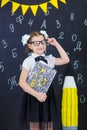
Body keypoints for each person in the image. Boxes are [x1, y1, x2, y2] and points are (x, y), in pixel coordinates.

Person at [18, 30, 70, 130]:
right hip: (33, 95)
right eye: (36, 43)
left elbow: (66, 60)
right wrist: (37, 95)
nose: (40, 45)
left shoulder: (50, 59)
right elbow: (22, 82)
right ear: (30, 46)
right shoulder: (28, 61)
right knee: (35, 126)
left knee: (48, 125)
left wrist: (55, 44)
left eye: (42, 42)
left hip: (47, 95)